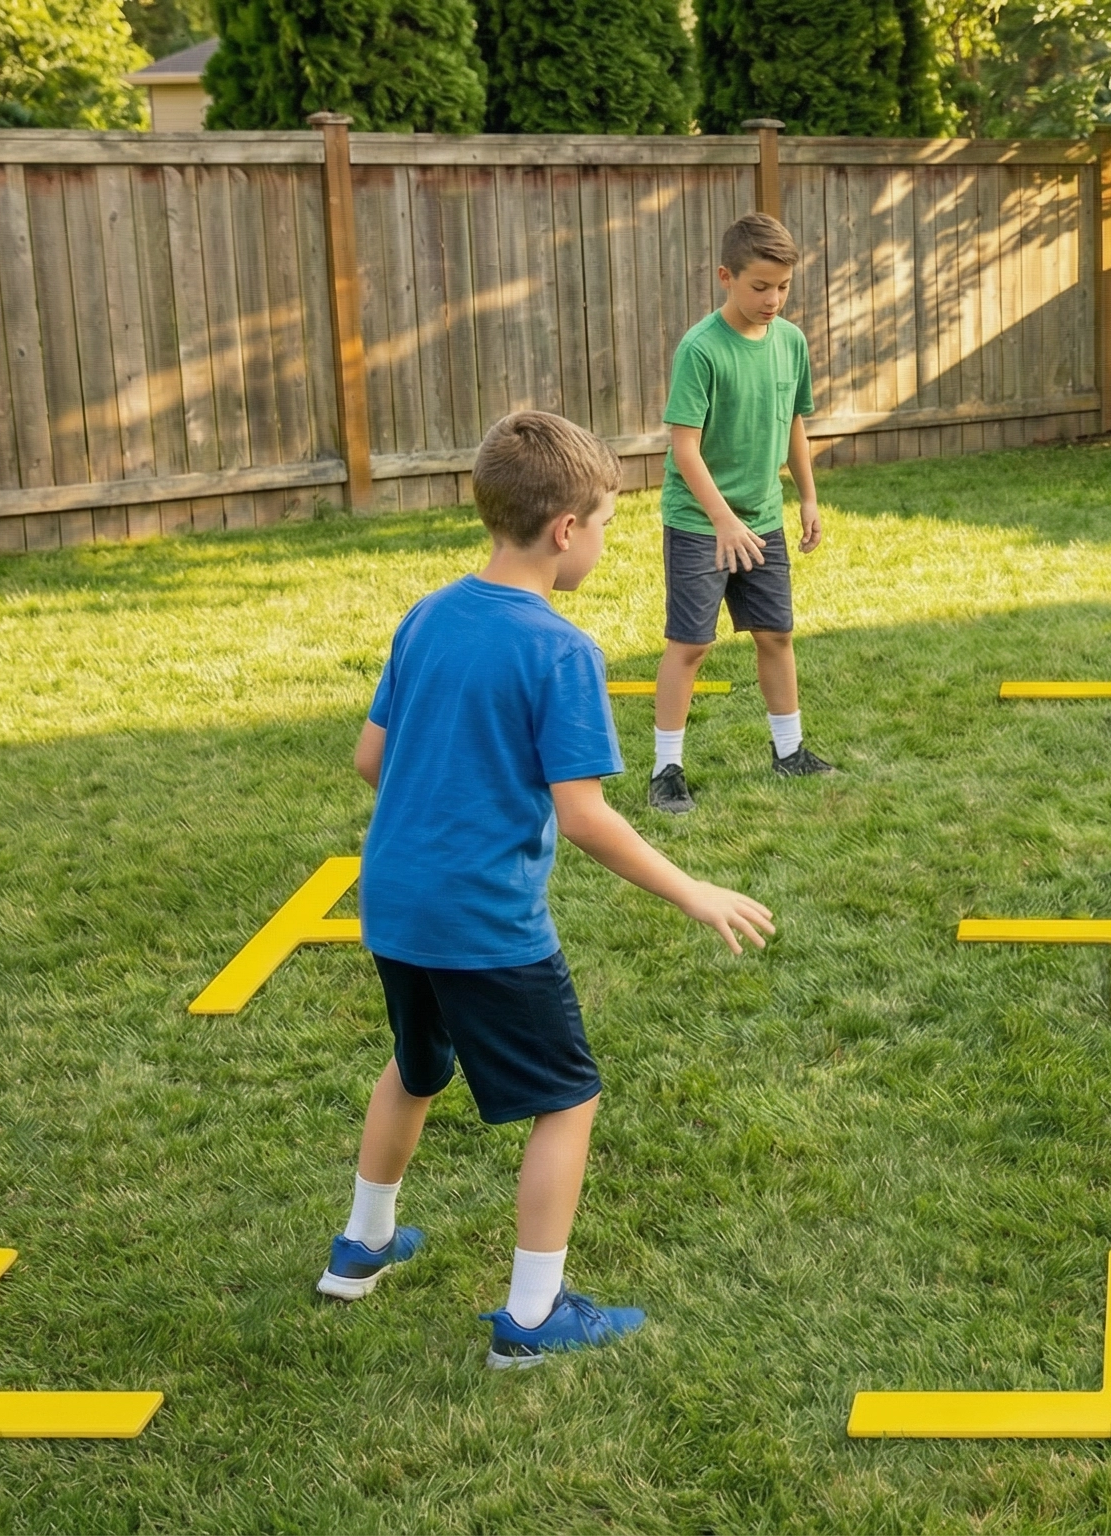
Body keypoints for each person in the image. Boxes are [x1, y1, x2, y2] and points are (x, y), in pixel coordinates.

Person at [322, 410, 777, 1369]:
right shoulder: (559, 651)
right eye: (606, 522)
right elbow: (585, 816)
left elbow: (372, 759)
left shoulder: (427, 614)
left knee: (416, 1063)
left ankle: (360, 1249)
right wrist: (693, 890)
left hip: (395, 905)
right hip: (485, 921)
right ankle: (531, 1319)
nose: (607, 540)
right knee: (566, 1099)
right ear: (565, 529)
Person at [648, 212, 834, 815]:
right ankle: (666, 769)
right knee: (691, 644)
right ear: (726, 276)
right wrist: (724, 520)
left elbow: (795, 422)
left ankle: (790, 752)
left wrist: (805, 495)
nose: (772, 299)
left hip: (762, 518)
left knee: (776, 634)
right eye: (759, 286)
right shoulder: (701, 349)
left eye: (782, 287)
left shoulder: (791, 342)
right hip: (701, 520)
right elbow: (683, 447)